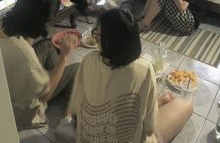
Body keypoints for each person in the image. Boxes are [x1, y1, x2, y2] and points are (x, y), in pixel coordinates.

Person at [68, 9, 193, 143]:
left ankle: (159, 102)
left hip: (84, 138)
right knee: (184, 105)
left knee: (127, 106)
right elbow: (149, 128)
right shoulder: (144, 69)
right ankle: (158, 103)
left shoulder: (88, 60)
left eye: (96, 34)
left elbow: (76, 107)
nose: (95, 37)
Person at [0, 0, 79, 130]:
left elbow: (24, 46)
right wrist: (64, 56)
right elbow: (45, 95)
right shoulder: (24, 55)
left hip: (11, 76)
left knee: (48, 46)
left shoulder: (5, 24)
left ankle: (51, 76)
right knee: (77, 69)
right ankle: (67, 120)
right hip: (24, 110)